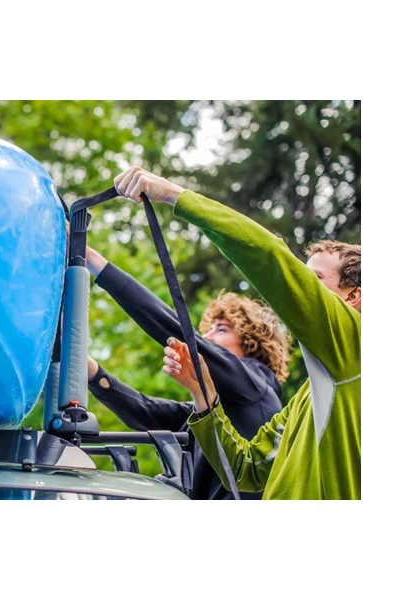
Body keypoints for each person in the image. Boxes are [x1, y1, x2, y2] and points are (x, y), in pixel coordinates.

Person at [113, 166, 361, 500]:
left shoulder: (356, 347)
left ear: (353, 296)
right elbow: (246, 469)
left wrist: (174, 195)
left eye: (313, 281)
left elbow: (269, 255)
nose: (300, 287)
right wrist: (203, 394)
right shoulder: (309, 396)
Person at [84, 245, 290, 500]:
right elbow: (145, 411)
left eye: (221, 329)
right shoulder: (211, 408)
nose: (207, 337)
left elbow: (176, 330)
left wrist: (94, 261)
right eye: (208, 330)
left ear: (252, 342)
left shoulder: (255, 383)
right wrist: (91, 371)